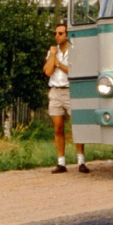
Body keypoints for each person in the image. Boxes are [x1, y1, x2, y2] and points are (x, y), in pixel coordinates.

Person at [43, 23, 89, 174]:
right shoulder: (53, 52)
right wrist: (53, 56)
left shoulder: (73, 51)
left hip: (70, 91)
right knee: (58, 128)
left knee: (76, 127)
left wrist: (59, 64)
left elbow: (73, 71)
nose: (57, 36)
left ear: (67, 35)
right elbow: (48, 71)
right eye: (56, 33)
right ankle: (61, 162)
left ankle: (81, 161)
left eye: (61, 33)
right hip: (56, 91)